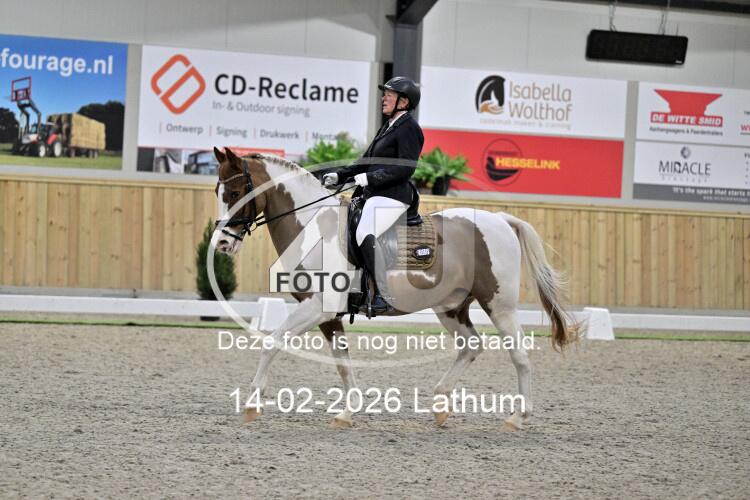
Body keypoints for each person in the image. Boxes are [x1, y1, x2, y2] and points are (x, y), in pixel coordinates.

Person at [322, 76, 424, 314]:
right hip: (375, 194)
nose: (383, 98)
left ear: (403, 102)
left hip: (394, 195)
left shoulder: (410, 128)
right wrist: (340, 175)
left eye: (389, 95)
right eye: (384, 94)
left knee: (364, 231)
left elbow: (405, 168)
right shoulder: (388, 126)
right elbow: (365, 161)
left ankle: (382, 294)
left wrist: (370, 178)